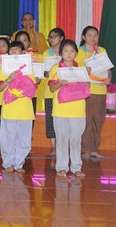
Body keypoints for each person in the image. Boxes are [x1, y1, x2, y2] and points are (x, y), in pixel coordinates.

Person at [48, 39, 88, 179]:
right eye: (65, 51)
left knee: (76, 140)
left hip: (78, 109)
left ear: (76, 53)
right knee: (62, 139)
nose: (69, 54)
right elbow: (52, 88)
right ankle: (62, 167)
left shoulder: (81, 67)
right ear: (61, 53)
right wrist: (60, 83)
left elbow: (87, 87)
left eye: (72, 51)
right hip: (61, 110)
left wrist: (84, 78)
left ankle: (76, 167)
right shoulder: (56, 68)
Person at [0, 41, 37, 174]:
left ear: (23, 52)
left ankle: (19, 163)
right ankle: (8, 163)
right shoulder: (3, 67)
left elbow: (33, 88)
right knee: (8, 139)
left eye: (17, 49)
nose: (14, 51)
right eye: (11, 49)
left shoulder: (29, 69)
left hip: (25, 110)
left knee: (24, 139)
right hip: (9, 110)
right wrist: (8, 79)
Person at [76, 26, 110, 159]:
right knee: (86, 120)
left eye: (95, 35)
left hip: (101, 90)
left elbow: (107, 69)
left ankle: (95, 148)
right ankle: (85, 149)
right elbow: (76, 69)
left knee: (98, 120)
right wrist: (85, 70)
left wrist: (109, 79)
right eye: (89, 35)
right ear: (83, 37)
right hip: (86, 91)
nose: (92, 38)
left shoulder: (102, 50)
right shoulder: (79, 51)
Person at [43, 28, 65, 157]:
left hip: (64, 91)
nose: (52, 39)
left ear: (61, 38)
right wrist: (45, 72)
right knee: (50, 120)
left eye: (55, 36)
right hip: (50, 91)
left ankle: (62, 146)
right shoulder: (46, 53)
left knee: (62, 120)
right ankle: (53, 147)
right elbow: (43, 72)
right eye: (50, 37)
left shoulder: (66, 51)